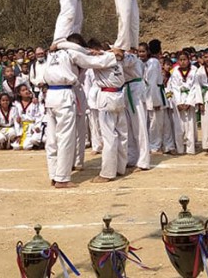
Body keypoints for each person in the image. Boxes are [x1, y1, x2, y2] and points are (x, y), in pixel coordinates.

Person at [43, 34, 119, 188]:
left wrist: (90, 52)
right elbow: (94, 62)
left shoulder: (52, 54)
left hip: (50, 95)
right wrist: (112, 55)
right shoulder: (72, 53)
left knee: (52, 139)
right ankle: (62, 178)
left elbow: (86, 57)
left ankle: (54, 174)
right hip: (64, 95)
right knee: (65, 137)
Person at [90, 45, 129, 183]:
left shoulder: (102, 60)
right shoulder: (118, 59)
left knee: (109, 136)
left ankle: (107, 173)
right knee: (122, 133)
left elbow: (84, 60)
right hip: (119, 95)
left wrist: (98, 53)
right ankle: (120, 167)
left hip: (107, 97)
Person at [120, 47, 150, 172]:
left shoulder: (131, 57)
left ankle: (143, 161)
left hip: (135, 90)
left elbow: (123, 62)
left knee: (140, 126)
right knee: (129, 127)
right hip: (127, 89)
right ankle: (132, 157)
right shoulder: (125, 55)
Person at [169, 51, 201, 155]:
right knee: (179, 125)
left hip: (190, 98)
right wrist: (178, 102)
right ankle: (180, 148)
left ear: (189, 60)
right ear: (178, 61)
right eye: (181, 60)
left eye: (185, 60)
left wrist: (189, 102)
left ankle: (190, 148)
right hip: (178, 98)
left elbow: (195, 87)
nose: (183, 62)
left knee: (190, 125)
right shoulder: (175, 71)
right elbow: (174, 87)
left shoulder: (194, 70)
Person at [15, 84, 45, 150]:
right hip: (22, 127)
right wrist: (18, 134)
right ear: (19, 93)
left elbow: (38, 116)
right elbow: (16, 119)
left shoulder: (34, 103)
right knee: (16, 146)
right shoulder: (16, 104)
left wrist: (37, 126)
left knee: (26, 146)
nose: (26, 91)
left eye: (27, 89)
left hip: (33, 126)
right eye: (23, 90)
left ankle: (37, 144)